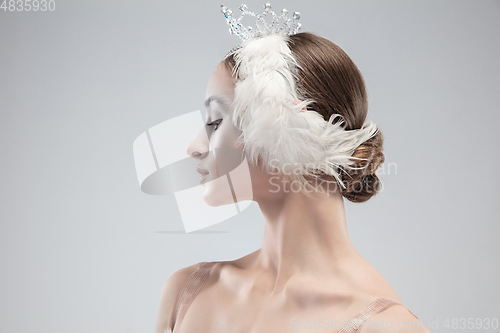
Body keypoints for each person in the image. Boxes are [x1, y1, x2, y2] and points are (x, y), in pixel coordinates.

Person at [155, 4, 430, 333]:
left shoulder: (383, 326)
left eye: (216, 121)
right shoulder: (188, 291)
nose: (193, 147)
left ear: (291, 131)